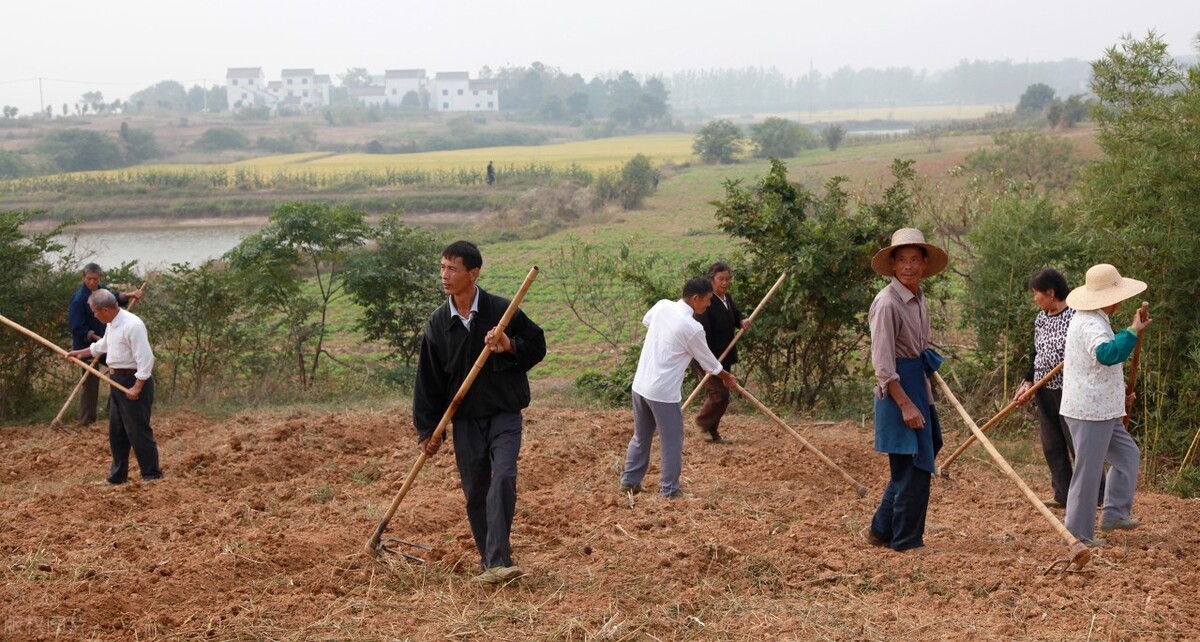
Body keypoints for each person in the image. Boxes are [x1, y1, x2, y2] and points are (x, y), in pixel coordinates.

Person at [412, 240, 546, 586]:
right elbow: (428, 381)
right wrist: (428, 430)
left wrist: (509, 346)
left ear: (473, 273)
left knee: (503, 477)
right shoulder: (438, 324)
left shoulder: (502, 312)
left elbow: (537, 345)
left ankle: (500, 559)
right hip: (466, 419)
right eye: (442, 267)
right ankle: (490, 563)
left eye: (452, 269)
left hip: (504, 413)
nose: (444, 275)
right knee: (475, 490)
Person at [864, 228, 948, 553]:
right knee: (912, 465)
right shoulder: (887, 304)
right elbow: (884, 365)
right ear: (893, 264)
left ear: (924, 263)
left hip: (917, 381)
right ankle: (907, 541)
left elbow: (915, 348)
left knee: (918, 459)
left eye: (914, 259)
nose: (908, 266)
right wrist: (906, 405)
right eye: (902, 260)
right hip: (898, 389)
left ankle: (880, 530)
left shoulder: (918, 297)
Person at [620, 277, 738, 499]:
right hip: (663, 393)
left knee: (641, 435)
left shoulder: (662, 306)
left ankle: (629, 482)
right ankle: (670, 490)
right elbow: (710, 364)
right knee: (672, 440)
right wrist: (726, 377)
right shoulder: (692, 328)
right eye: (707, 300)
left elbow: (648, 321)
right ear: (695, 299)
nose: (709, 305)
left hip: (641, 385)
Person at [1060, 263, 1151, 546]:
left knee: (1127, 456)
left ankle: (1113, 513)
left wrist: (1119, 392)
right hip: (1089, 411)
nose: (1121, 301)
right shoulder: (1089, 323)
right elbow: (1107, 355)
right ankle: (1077, 535)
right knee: (1088, 472)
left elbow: (1099, 367)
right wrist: (1133, 331)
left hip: (1103, 408)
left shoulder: (1096, 319)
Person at [1013, 268, 1102, 510]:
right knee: (1052, 444)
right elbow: (1036, 353)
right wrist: (1028, 382)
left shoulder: (1076, 316)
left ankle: (1097, 496)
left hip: (1070, 389)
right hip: (1044, 390)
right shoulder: (1041, 318)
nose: (1035, 298)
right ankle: (1063, 494)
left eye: (1037, 293)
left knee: (1077, 444)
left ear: (1051, 292)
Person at [65, 289, 161, 484]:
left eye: (94, 311)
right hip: (116, 381)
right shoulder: (112, 324)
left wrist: (137, 386)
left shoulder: (132, 325)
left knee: (137, 431)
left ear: (106, 309)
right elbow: (104, 346)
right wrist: (80, 353)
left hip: (132, 381)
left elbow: (146, 358)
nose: (93, 315)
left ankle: (151, 475)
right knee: (117, 432)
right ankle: (118, 477)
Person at [67, 263, 144, 425]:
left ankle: (114, 412)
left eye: (95, 279)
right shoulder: (79, 299)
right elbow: (77, 329)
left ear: (100, 278)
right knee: (90, 383)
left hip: (107, 342)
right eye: (89, 279)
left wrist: (130, 295)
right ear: (83, 277)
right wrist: (99, 340)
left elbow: (114, 299)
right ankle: (87, 420)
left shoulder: (102, 291)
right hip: (86, 345)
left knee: (118, 373)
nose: (92, 282)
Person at [690, 261, 750, 444]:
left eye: (728, 279)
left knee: (722, 396)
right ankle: (701, 424)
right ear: (712, 280)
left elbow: (735, 315)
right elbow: (702, 333)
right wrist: (709, 360)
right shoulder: (706, 302)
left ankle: (712, 433)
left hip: (725, 355)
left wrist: (741, 321)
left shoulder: (727, 298)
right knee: (719, 394)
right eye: (721, 279)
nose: (725, 283)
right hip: (707, 357)